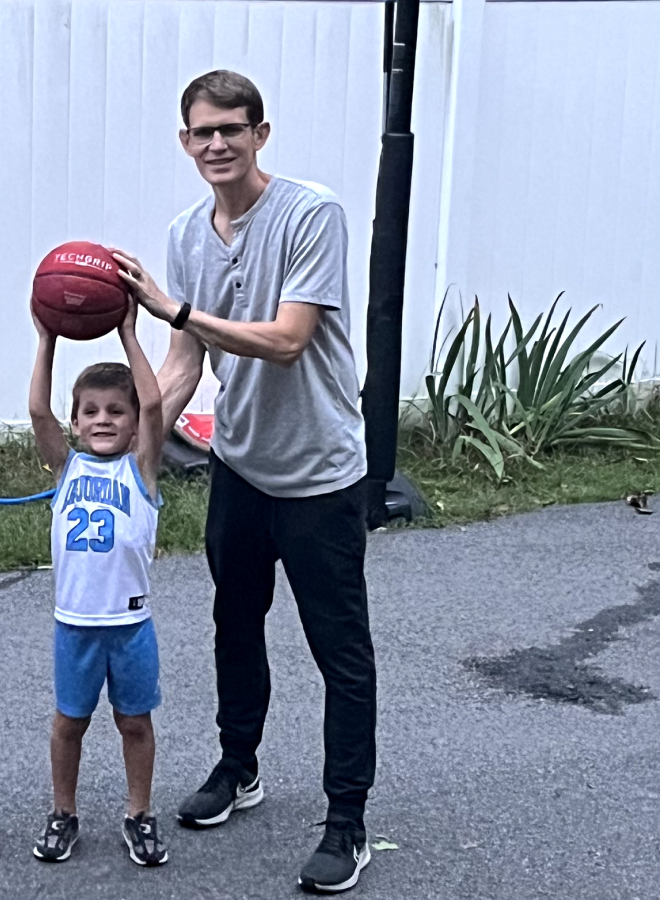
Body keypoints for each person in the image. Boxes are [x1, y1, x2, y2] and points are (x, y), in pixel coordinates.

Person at [112, 69, 378, 893]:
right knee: (235, 624)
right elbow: (185, 365)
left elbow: (289, 338)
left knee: (340, 653)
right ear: (185, 142)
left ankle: (346, 821)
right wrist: (130, 452)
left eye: (233, 128)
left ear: (261, 133)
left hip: (322, 474)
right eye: (203, 132)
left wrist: (176, 312)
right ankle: (239, 767)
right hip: (241, 467)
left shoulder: (310, 213)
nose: (218, 144)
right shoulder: (189, 234)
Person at [27, 301, 168, 867]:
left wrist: (129, 331)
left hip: (130, 626)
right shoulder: (67, 470)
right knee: (69, 724)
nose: (103, 419)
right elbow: (38, 413)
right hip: (76, 626)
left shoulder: (142, 469)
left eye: (115, 410)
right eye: (90, 411)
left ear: (132, 423)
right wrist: (48, 339)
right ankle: (64, 812)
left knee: (135, 723)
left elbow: (154, 402)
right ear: (77, 420)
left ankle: (139, 813)